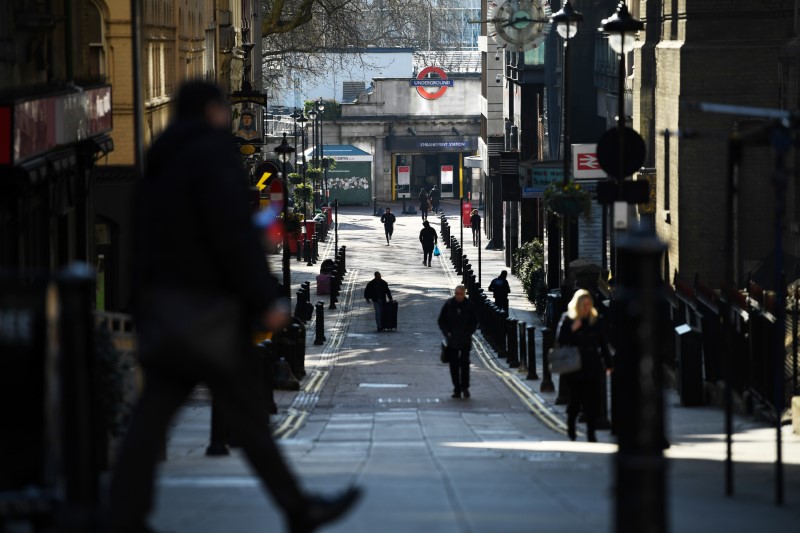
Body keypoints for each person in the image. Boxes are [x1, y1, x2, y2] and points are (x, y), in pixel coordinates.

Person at [109, 81, 360, 533]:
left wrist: (140, 302)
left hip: (164, 311)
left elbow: (138, 241)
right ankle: (298, 509)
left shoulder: (158, 158)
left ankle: (124, 513)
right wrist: (266, 297)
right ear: (212, 111)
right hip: (209, 314)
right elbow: (233, 234)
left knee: (150, 419)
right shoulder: (212, 155)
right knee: (247, 419)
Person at [556, 289, 612, 442]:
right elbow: (561, 341)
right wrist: (573, 328)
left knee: (592, 401)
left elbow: (603, 344)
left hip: (592, 364)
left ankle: (591, 433)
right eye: (583, 305)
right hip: (573, 365)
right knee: (575, 401)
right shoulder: (568, 319)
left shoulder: (596, 320)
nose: (586, 308)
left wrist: (609, 364)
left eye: (588, 304)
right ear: (577, 305)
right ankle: (572, 429)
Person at [438, 285, 479, 399]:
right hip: (452, 341)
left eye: (461, 294)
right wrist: (447, 333)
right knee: (454, 365)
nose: (459, 296)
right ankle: (457, 389)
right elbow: (441, 320)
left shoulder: (469, 305)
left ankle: (465, 387)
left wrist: (468, 332)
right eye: (457, 294)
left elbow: (474, 322)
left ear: (464, 294)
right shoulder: (449, 304)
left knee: (465, 364)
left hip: (465, 340)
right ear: (455, 294)